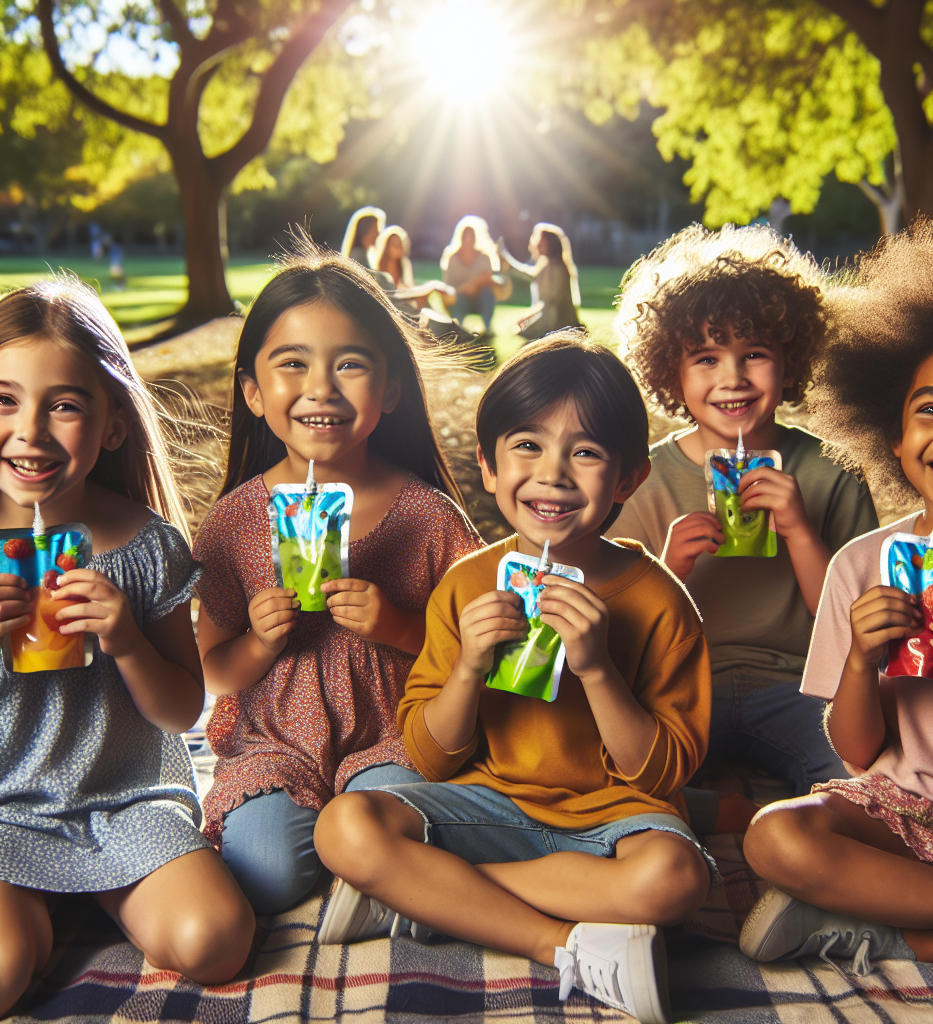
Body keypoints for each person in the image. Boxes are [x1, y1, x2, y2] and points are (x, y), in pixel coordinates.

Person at [313, 336, 716, 1024]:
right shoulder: (468, 583)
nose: (553, 473)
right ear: (489, 466)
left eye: (585, 453)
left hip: (613, 822)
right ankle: (558, 943)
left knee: (678, 880)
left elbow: (660, 774)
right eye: (527, 446)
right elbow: (433, 757)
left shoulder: (659, 598)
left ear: (628, 479)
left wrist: (596, 667)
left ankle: (426, 896)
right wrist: (469, 667)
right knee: (344, 826)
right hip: (490, 807)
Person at [740, 219, 933, 974]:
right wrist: (863, 663)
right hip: (898, 811)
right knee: (774, 836)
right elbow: (860, 751)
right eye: (932, 410)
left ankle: (890, 928)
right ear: (891, 438)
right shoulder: (862, 564)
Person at [193, 236, 481, 917]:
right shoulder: (234, 523)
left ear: (391, 389)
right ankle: (385, 881)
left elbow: (473, 652)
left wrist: (396, 624)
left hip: (395, 737)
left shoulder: (428, 517)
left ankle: (378, 867)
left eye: (349, 364)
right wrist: (260, 642)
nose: (320, 388)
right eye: (292, 365)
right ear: (254, 393)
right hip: (275, 747)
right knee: (264, 875)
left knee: (396, 819)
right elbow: (215, 671)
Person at [0, 278, 254, 1013]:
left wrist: (128, 639)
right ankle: (36, 911)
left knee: (217, 940)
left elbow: (182, 710)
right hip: (5, 805)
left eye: (66, 405)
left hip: (126, 799)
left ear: (112, 422)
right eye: (6, 399)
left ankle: (87, 894)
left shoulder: (145, 545)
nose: (31, 431)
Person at [613, 225, 878, 836]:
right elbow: (620, 628)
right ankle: (728, 815)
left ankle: (797, 851)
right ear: (671, 374)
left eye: (754, 353)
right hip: (679, 686)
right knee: (613, 768)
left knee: (864, 778)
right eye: (705, 359)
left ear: (790, 364)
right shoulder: (641, 478)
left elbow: (858, 632)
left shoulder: (832, 472)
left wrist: (802, 534)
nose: (731, 378)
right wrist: (665, 569)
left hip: (799, 687)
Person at [499, 223, 581, 339]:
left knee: (524, 333)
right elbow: (528, 275)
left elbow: (550, 302)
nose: (537, 244)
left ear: (550, 244)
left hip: (557, 320)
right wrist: (506, 258)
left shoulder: (557, 267)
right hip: (549, 315)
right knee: (520, 331)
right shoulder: (546, 263)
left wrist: (527, 317)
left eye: (541, 241)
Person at [440, 215, 506, 335]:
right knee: (458, 298)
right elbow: (447, 286)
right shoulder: (453, 258)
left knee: (487, 292)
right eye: (466, 236)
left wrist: (476, 284)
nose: (469, 239)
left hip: (479, 300)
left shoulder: (484, 257)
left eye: (472, 236)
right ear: (461, 237)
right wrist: (465, 288)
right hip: (459, 299)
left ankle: (487, 329)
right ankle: (457, 329)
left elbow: (489, 278)